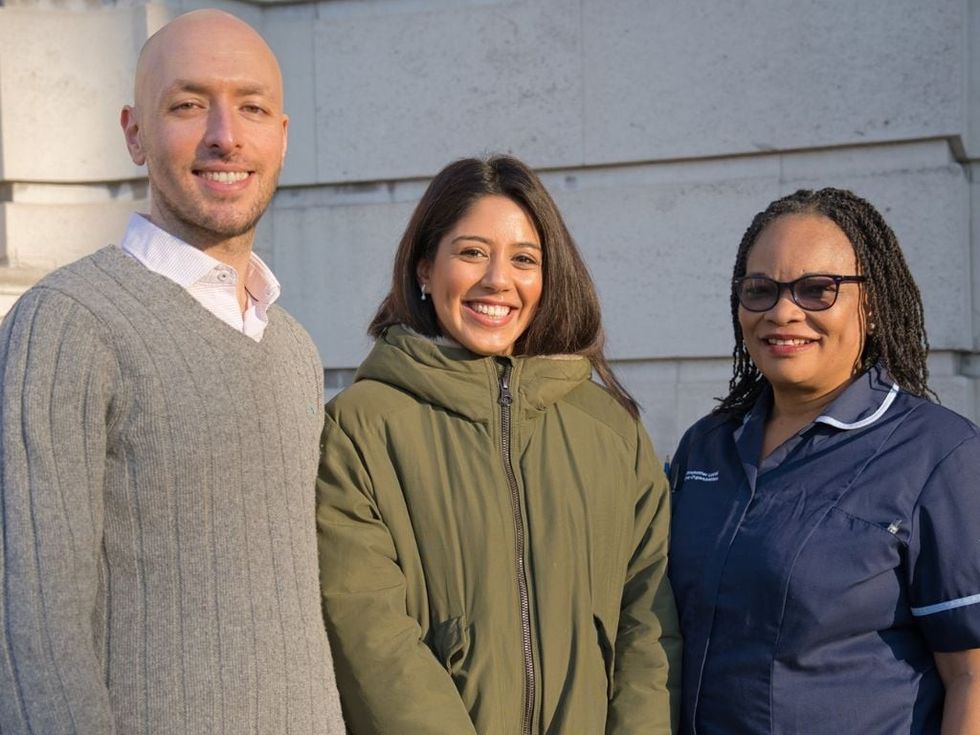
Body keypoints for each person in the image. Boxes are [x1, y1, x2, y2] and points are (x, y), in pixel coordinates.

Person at [0, 10, 344, 733]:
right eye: (188, 105)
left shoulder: (294, 348)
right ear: (134, 133)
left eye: (251, 107)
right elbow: (32, 632)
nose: (225, 134)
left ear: (282, 136)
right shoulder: (67, 323)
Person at [317, 154, 681, 733]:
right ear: (424, 270)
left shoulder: (612, 430)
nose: (497, 280)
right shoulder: (359, 428)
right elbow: (369, 633)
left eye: (524, 259)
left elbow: (647, 622)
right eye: (471, 252)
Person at [667, 188, 980, 734]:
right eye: (760, 290)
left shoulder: (939, 455)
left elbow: (972, 676)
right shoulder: (706, 446)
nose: (783, 312)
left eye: (817, 290)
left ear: (874, 306)